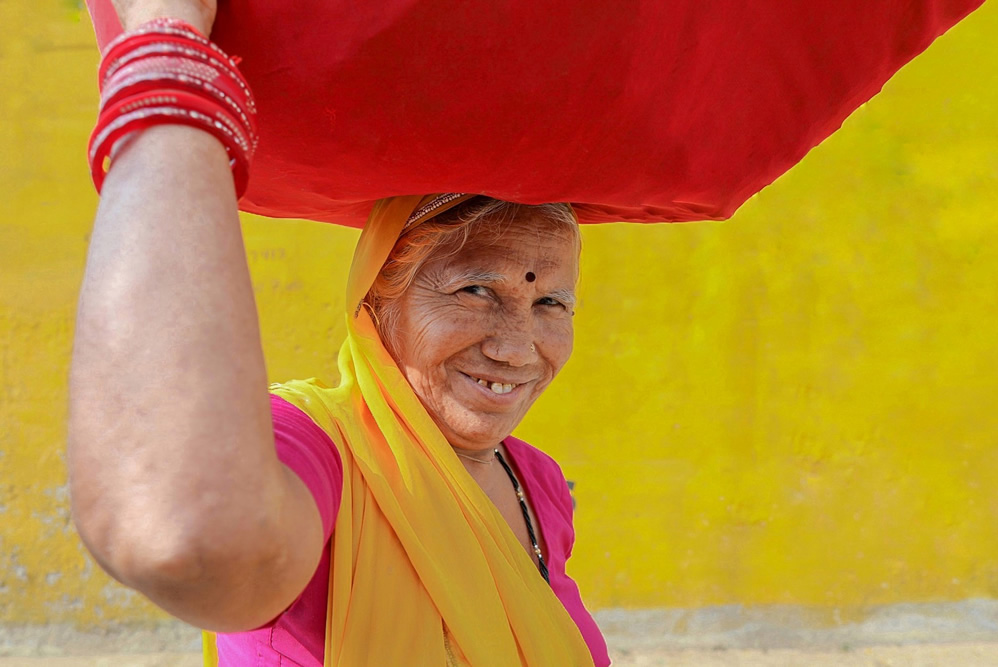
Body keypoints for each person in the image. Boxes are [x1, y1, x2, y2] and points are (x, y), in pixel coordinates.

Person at [68, 2, 610, 665]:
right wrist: (168, 47)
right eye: (474, 289)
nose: (519, 346)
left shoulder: (537, 484)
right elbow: (192, 537)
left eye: (551, 301)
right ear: (375, 299)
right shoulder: (314, 449)